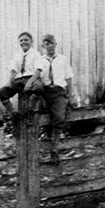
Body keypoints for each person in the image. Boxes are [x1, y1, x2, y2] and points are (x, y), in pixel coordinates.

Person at [25, 33, 76, 161]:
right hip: (45, 91)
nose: (50, 46)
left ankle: (55, 148)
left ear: (56, 44)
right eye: (46, 43)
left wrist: (71, 96)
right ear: (43, 46)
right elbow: (35, 77)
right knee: (43, 117)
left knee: (58, 117)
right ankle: (42, 147)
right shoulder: (39, 60)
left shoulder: (63, 59)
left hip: (59, 91)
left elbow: (69, 78)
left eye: (52, 43)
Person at [0, 32, 43, 129]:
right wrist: (9, 82)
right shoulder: (17, 55)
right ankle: (14, 114)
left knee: (38, 87)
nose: (23, 42)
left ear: (31, 41)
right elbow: (14, 70)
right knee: (2, 92)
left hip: (31, 77)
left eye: (26, 40)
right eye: (21, 40)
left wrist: (30, 82)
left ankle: (30, 109)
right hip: (19, 80)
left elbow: (38, 70)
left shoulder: (36, 54)